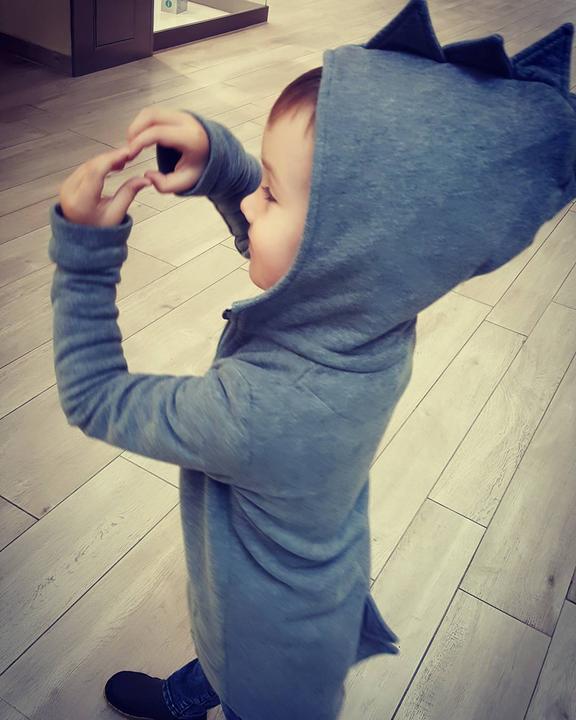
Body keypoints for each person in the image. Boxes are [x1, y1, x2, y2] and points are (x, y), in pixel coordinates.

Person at [48, 0, 576, 718]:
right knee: (233, 646)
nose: (252, 206)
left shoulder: (264, 411)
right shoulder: (379, 310)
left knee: (244, 675)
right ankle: (197, 687)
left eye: (269, 192)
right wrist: (222, 166)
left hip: (272, 672)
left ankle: (219, 690)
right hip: (304, 600)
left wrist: (84, 254)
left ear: (341, 258)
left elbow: (94, 396)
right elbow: (302, 266)